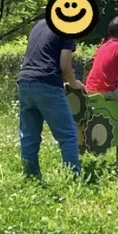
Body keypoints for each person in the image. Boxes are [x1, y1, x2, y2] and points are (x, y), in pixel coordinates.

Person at [17, 18, 85, 178]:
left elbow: (40, 56)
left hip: (25, 82)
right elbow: (65, 65)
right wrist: (73, 82)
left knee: (29, 135)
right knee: (68, 135)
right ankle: (73, 178)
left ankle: (31, 175)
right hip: (47, 82)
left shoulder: (40, 24)